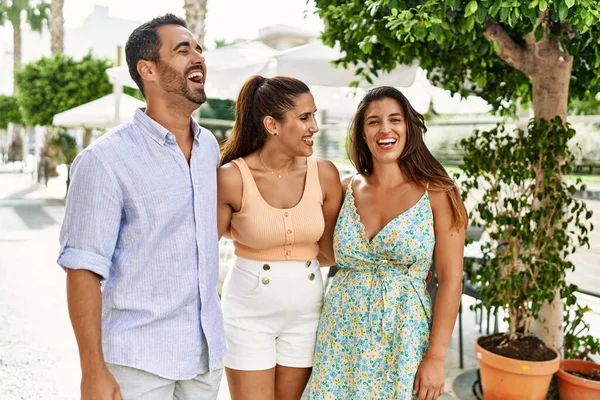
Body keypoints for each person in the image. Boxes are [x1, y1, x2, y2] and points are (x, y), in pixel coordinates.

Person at [57, 14, 226, 400]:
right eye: (183, 50)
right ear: (147, 69)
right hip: (137, 363)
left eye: (198, 49)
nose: (198, 57)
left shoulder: (209, 149)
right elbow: (82, 268)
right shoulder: (104, 160)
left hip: (204, 360)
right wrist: (92, 371)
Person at [309, 86, 467, 400]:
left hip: (404, 334)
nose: (385, 129)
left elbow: (450, 280)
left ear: (408, 127)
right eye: (373, 122)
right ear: (363, 133)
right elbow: (322, 254)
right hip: (341, 333)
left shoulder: (437, 192)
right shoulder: (345, 188)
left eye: (395, 119)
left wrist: (436, 358)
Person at [216, 75, 343, 400]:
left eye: (314, 115)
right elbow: (201, 252)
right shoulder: (231, 178)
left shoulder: (325, 174)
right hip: (247, 313)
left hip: (307, 311)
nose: (314, 126)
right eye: (304, 118)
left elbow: (330, 252)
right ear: (272, 124)